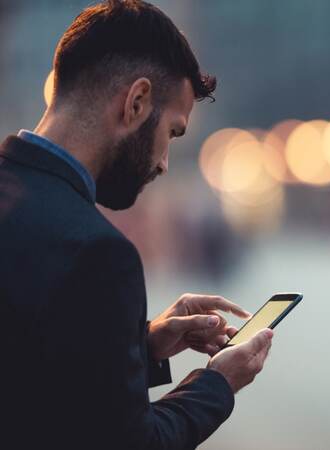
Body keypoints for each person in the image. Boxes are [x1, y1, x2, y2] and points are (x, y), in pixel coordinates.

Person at [0, 1, 274, 448]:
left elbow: (26, 380)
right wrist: (218, 384)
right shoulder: (96, 252)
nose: (164, 162)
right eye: (172, 132)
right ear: (137, 102)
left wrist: (139, 348)